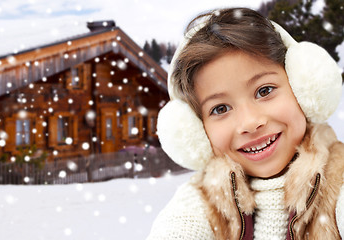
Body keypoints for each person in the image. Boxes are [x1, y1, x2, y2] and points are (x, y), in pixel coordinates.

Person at [147, 7, 343, 239]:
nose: (250, 123)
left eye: (264, 90)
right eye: (220, 109)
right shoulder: (200, 204)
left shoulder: (338, 183)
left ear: (302, 87)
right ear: (197, 129)